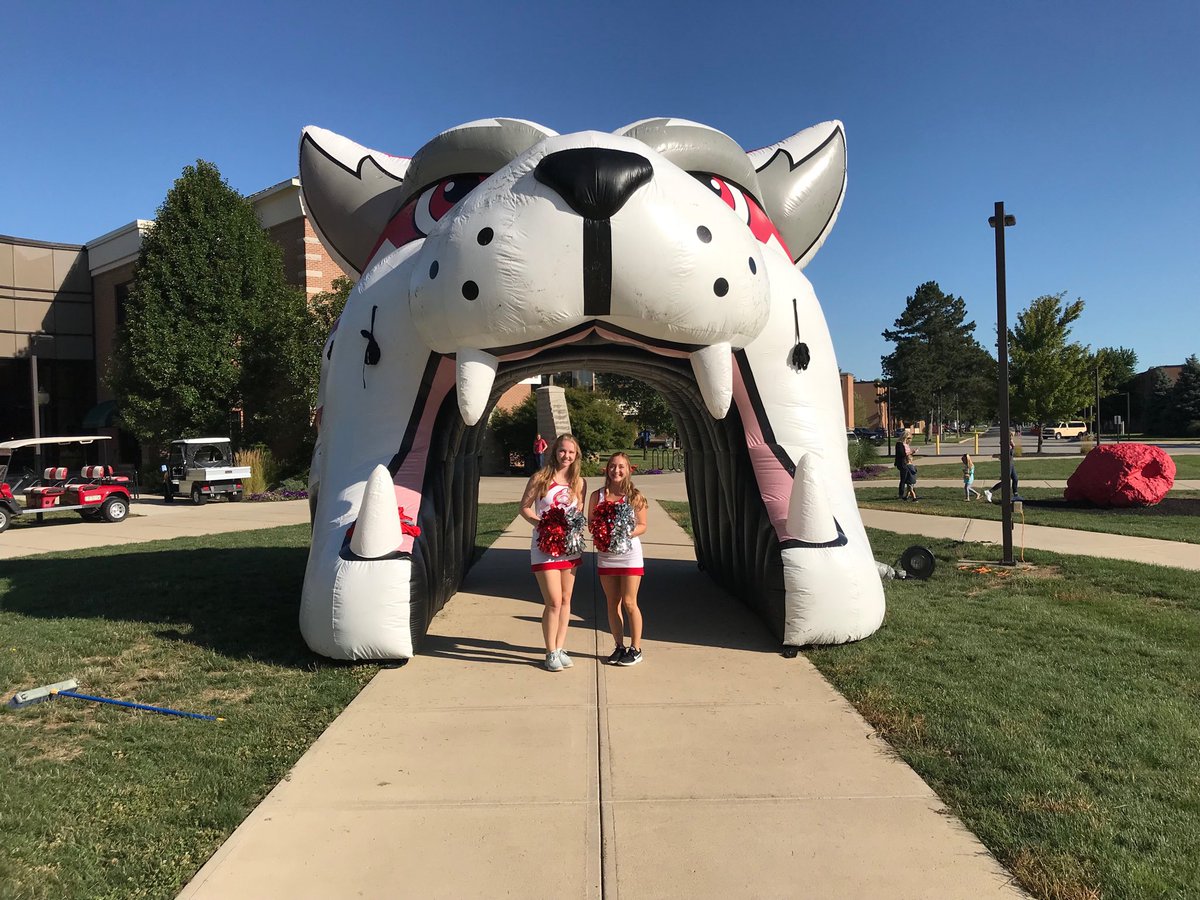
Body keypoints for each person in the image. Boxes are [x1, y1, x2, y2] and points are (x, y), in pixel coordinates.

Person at [520, 433, 587, 672]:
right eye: (562, 451)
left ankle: (559, 647)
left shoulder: (579, 482)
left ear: (576, 454)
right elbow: (524, 508)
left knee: (567, 599)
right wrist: (543, 525)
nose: (566, 456)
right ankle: (549, 652)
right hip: (544, 547)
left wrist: (572, 527)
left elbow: (578, 511)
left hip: (569, 547)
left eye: (571, 452)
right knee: (554, 601)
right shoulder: (541, 478)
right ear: (554, 452)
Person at [586, 452, 649, 666]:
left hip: (630, 555)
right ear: (607, 468)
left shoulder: (635, 496)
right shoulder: (597, 496)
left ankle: (636, 648)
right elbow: (591, 523)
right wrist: (603, 532)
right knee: (613, 602)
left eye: (621, 466)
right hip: (607, 556)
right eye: (613, 466)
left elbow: (642, 525)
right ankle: (619, 646)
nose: (616, 470)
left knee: (630, 602)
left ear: (629, 469)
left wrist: (623, 532)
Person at [985, 437, 1020, 503]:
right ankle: (989, 491)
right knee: (1005, 481)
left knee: (1015, 479)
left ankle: (1016, 495)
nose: (1013, 440)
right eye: (1011, 438)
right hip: (1008, 465)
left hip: (1011, 464)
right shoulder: (1006, 446)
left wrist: (1012, 445)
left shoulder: (1010, 445)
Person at [894, 428, 916, 500]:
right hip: (901, 463)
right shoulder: (899, 444)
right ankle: (901, 494)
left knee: (908, 479)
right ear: (905, 437)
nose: (909, 439)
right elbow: (902, 454)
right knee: (903, 480)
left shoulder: (905, 444)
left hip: (906, 462)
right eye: (908, 438)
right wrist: (911, 452)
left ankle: (908, 493)